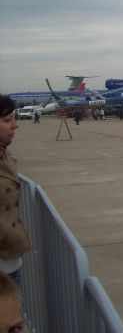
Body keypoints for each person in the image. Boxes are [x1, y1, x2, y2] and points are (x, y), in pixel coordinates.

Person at [0, 95, 31, 288]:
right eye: (6, 120)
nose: (15, 125)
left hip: (10, 261)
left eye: (14, 118)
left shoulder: (4, 155)